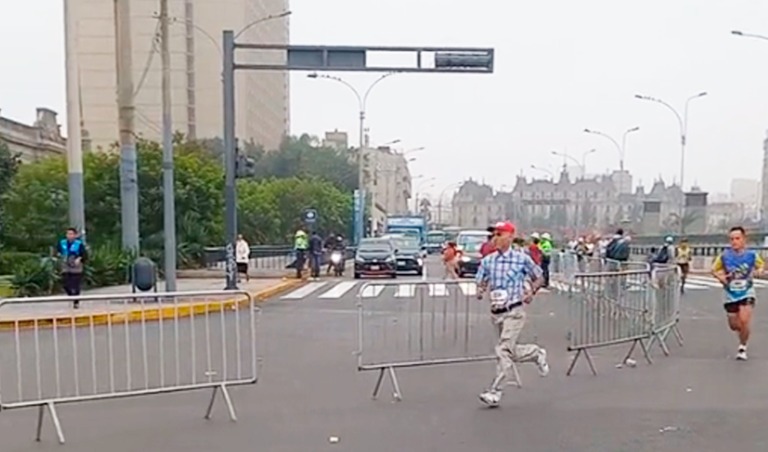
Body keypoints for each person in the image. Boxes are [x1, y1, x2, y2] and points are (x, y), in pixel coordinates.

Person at [475, 221, 549, 407]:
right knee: (509, 351)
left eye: (499, 235)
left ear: (509, 236)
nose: (495, 239)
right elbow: (481, 280)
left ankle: (495, 391)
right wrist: (480, 289)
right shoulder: (488, 261)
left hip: (514, 310)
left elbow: (539, 276)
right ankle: (536, 353)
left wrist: (531, 291)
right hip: (497, 313)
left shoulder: (521, 259)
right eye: (494, 235)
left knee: (502, 350)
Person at [712, 226, 763, 361]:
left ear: (744, 239)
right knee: (735, 325)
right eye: (732, 239)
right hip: (731, 293)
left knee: (745, 319)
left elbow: (761, 266)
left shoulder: (752, 255)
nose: (734, 241)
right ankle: (743, 334)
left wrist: (759, 271)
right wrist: (720, 277)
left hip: (747, 291)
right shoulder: (724, 256)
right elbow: (714, 270)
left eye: (737, 238)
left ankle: (742, 347)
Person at [57, 228, 87, 309]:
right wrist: (59, 255)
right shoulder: (62, 243)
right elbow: (58, 251)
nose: (69, 236)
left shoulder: (79, 244)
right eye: (68, 234)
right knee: (65, 283)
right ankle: (71, 296)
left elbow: (84, 254)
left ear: (75, 235)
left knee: (75, 284)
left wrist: (79, 259)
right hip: (65, 263)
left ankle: (76, 301)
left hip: (76, 265)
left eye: (71, 234)